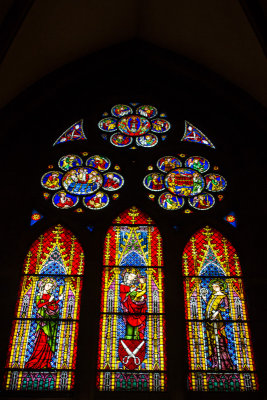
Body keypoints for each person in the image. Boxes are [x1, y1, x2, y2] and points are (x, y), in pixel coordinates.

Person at [25, 277, 63, 369]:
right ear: (43, 285)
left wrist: (59, 300)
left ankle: (46, 363)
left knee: (48, 342)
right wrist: (48, 301)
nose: (49, 287)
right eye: (48, 285)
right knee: (41, 340)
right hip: (43, 321)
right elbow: (38, 305)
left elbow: (53, 306)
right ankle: (35, 361)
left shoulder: (51, 296)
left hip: (50, 321)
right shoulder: (39, 294)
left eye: (51, 286)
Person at [204, 279, 234, 370]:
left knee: (220, 340)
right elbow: (209, 306)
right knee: (212, 341)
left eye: (215, 286)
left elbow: (226, 307)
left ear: (220, 287)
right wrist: (205, 299)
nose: (214, 288)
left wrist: (217, 312)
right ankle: (215, 363)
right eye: (213, 287)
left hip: (217, 319)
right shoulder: (212, 296)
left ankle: (225, 364)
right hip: (209, 320)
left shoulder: (223, 296)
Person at [120, 268, 147, 340]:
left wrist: (142, 298)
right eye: (132, 275)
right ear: (126, 275)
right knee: (129, 325)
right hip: (128, 309)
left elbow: (143, 294)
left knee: (137, 325)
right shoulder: (121, 286)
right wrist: (129, 293)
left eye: (135, 276)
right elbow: (122, 296)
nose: (133, 277)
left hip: (137, 309)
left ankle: (136, 337)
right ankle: (128, 338)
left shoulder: (135, 287)